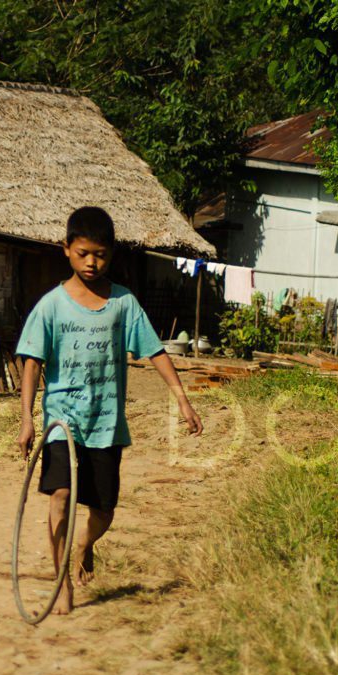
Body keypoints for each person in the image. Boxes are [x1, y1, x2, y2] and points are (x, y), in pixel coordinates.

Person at [15, 206, 203, 615]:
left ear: (112, 254)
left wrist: (182, 399)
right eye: (82, 253)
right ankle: (61, 579)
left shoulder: (123, 304)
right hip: (61, 422)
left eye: (99, 254)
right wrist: (27, 418)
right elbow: (31, 361)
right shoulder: (51, 306)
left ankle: (83, 545)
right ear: (66, 249)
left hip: (106, 423)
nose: (91, 262)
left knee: (103, 510)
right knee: (60, 495)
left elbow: (154, 350)